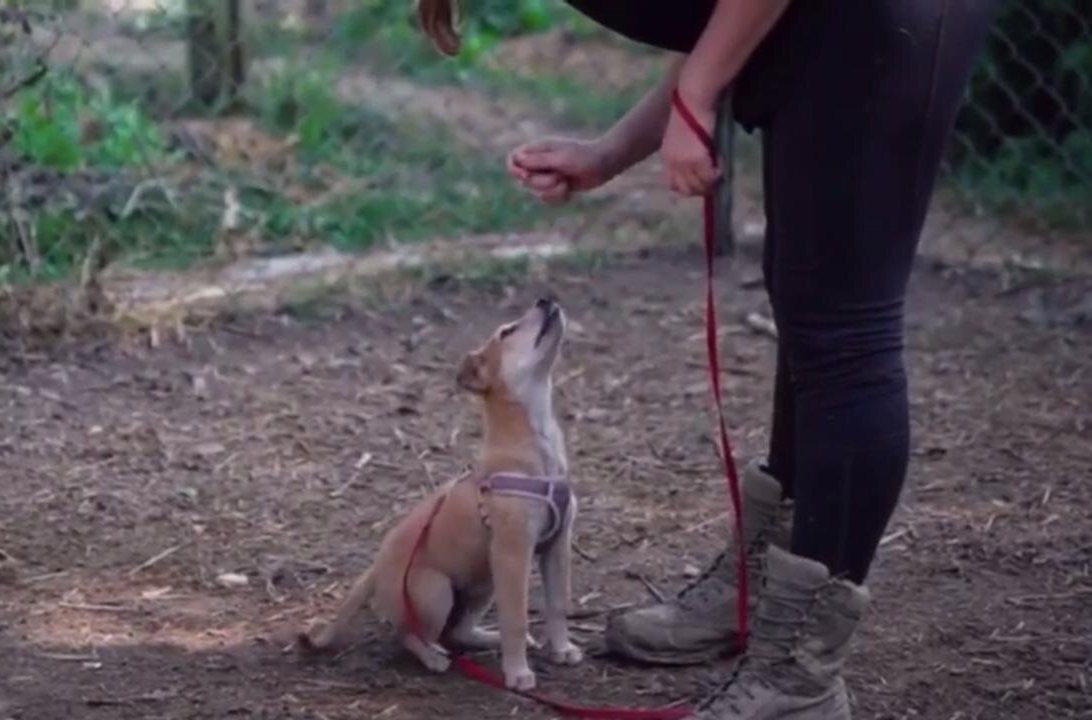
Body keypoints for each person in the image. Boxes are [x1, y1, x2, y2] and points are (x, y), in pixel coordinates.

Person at [416, 1, 1000, 719]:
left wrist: (698, 97)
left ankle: (800, 680)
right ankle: (760, 598)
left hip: (880, 22)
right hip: (826, 31)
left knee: (847, 339)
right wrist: (612, 151)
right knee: (810, 304)